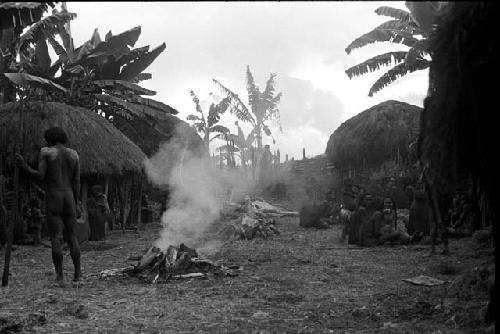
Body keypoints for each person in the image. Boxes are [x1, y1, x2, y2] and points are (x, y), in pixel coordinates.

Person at [16, 126, 81, 284]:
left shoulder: (46, 152)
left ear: (49, 139)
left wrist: (24, 166)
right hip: (69, 197)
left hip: (54, 197)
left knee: (56, 238)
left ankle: (60, 277)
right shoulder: (74, 154)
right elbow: (77, 181)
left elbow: (40, 175)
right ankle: (78, 275)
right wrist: (77, 201)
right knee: (72, 237)